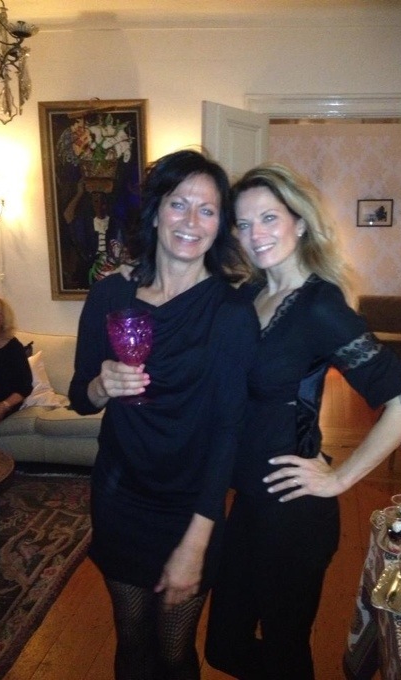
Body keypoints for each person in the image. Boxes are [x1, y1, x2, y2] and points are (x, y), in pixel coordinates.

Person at [205, 163, 401, 679]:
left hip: (293, 513)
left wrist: (340, 477)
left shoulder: (319, 306)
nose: (255, 234)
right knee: (223, 647)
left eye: (269, 217)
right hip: (248, 504)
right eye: (244, 224)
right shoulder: (249, 295)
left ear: (300, 221)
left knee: (285, 652)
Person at [68, 149, 259, 680]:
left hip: (190, 505)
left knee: (175, 651)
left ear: (220, 225)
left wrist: (196, 542)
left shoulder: (230, 312)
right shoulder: (111, 293)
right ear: (156, 212)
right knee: (131, 639)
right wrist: (102, 385)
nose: (191, 220)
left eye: (207, 209)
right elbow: (79, 396)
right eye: (179, 203)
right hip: (120, 496)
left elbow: (228, 433)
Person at [0, 296, 32, 426]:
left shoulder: (13, 347)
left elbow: (24, 387)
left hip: (5, 402)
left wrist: (2, 406)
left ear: (2, 318)